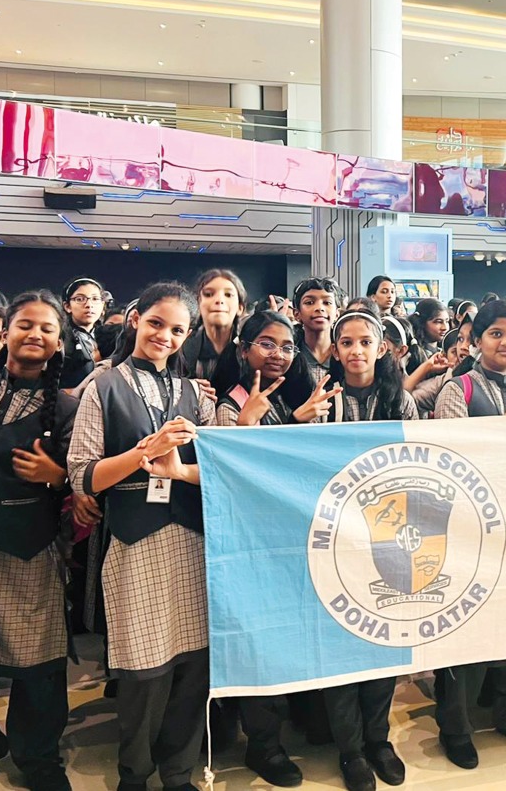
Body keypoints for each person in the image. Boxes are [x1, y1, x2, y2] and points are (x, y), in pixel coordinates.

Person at [67, 282, 215, 791]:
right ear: (135, 319)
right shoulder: (103, 386)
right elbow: (84, 475)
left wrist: (181, 470)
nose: (164, 336)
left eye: (177, 329)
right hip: (134, 543)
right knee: (142, 670)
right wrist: (143, 453)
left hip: (194, 542)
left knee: (193, 668)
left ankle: (178, 773)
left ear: (188, 334)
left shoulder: (196, 393)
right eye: (155, 323)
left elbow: (218, 467)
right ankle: (135, 772)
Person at [209, 310, 339, 788]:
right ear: (245, 350)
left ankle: (303, 720)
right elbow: (228, 478)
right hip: (251, 546)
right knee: (260, 643)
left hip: (300, 541)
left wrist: (301, 421)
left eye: (286, 347)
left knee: (298, 636)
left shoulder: (302, 397)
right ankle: (264, 745)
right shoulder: (231, 403)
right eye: (266, 344)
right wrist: (246, 428)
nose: (278, 354)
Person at [0, 292, 79, 790]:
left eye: (47, 328)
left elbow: (87, 474)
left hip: (32, 545)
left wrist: (58, 476)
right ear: (4, 330)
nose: (35, 334)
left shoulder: (70, 404)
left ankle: (39, 757)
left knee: (39, 661)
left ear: (60, 341)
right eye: (24, 324)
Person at [433, 300, 506, 770]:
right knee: (468, 630)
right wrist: (505, 430)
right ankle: (456, 728)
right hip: (469, 530)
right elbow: (448, 457)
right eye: (497, 334)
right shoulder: (455, 389)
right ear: (476, 340)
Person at [319, 310, 416, 791]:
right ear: (334, 350)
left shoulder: (401, 397)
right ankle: (351, 749)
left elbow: (421, 459)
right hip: (332, 535)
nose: (356, 351)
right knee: (342, 643)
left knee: (384, 638)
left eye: (365, 342)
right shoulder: (321, 397)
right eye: (347, 342)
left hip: (389, 531)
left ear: (382, 348)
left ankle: (379, 738)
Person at [179, 268, 246, 383]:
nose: (219, 300)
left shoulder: (250, 347)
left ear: (240, 307)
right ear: (198, 303)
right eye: (209, 294)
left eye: (228, 295)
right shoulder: (181, 347)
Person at [293, 277, 342, 388]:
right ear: (296, 314)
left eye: (327, 302)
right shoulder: (290, 357)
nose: (319, 308)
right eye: (309, 302)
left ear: (337, 314)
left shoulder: (345, 355)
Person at [61, 278, 106, 389]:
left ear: (102, 305)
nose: (89, 304)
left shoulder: (110, 337)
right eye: (80, 299)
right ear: (67, 306)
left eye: (95, 299)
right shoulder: (61, 337)